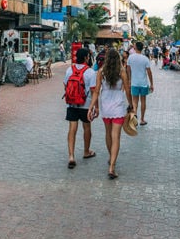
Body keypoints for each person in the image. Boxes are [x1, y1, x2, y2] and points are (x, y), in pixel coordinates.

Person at [88, 48, 133, 179]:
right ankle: (112, 166)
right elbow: (128, 89)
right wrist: (131, 104)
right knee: (116, 137)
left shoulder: (101, 72)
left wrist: (91, 107)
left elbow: (96, 91)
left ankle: (110, 157)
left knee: (108, 133)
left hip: (105, 105)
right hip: (118, 105)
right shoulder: (122, 71)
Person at [64, 47, 98, 168]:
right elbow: (94, 91)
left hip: (71, 104)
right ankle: (86, 151)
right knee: (87, 128)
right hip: (86, 105)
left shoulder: (69, 70)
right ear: (86, 58)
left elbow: (65, 85)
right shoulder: (90, 72)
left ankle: (71, 156)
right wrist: (96, 107)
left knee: (72, 129)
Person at [126, 41, 153, 125]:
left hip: (134, 83)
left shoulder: (130, 57)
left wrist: (129, 80)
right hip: (143, 83)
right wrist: (152, 83)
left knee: (134, 102)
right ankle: (142, 119)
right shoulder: (145, 58)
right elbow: (149, 72)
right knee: (143, 101)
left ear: (135, 47)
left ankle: (134, 120)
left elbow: (128, 69)